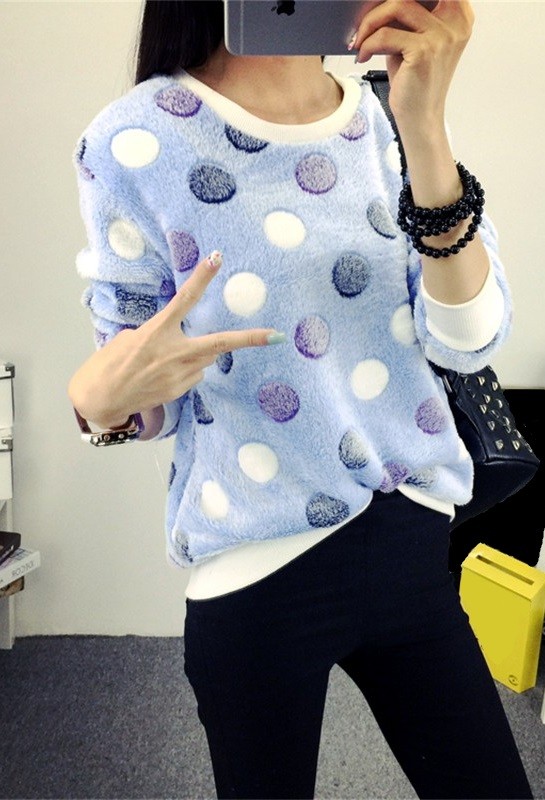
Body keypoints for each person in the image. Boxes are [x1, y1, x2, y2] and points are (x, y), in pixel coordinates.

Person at [68, 1, 534, 797]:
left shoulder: (390, 113)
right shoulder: (133, 139)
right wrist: (98, 401)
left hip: (411, 537)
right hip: (256, 560)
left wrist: (425, 124)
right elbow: (144, 387)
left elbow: (468, 339)